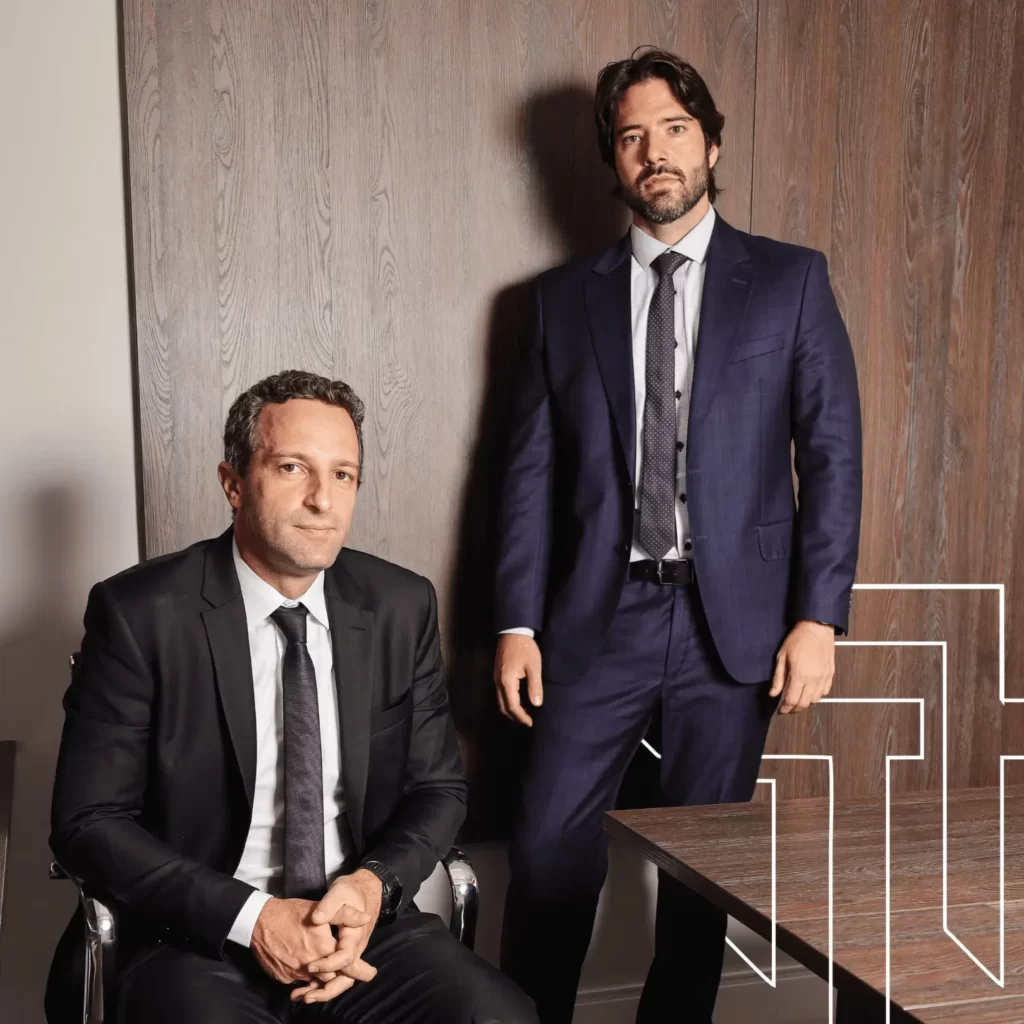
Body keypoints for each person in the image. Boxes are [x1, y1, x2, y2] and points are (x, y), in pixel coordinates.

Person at [494, 47, 862, 1023]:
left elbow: (831, 455)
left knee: (703, 878)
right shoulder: (559, 302)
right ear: (611, 162)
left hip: (732, 627)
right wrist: (516, 623)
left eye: (673, 129)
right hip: (594, 618)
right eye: (631, 137)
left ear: (711, 143)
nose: (653, 152)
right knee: (548, 853)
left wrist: (818, 617)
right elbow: (528, 473)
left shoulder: (789, 282)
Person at [46, 370, 536, 1024]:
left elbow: (438, 789)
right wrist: (253, 918)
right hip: (195, 937)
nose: (322, 500)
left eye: (343, 475)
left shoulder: (400, 604)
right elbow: (87, 822)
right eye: (292, 468)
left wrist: (373, 886)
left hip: (355, 930)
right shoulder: (138, 613)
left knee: (499, 1016)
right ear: (233, 483)